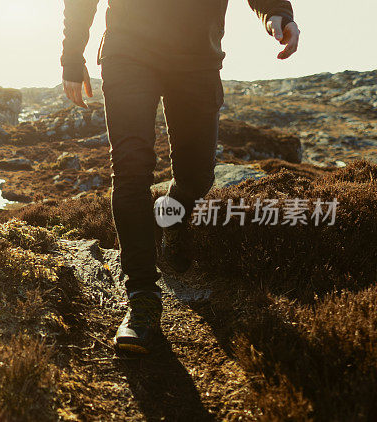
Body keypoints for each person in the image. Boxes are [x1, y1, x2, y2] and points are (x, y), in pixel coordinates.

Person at [60, 0, 299, 354]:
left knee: (197, 175)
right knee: (129, 172)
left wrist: (277, 13)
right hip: (128, 51)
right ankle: (142, 297)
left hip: (196, 58)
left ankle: (171, 214)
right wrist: (72, 55)